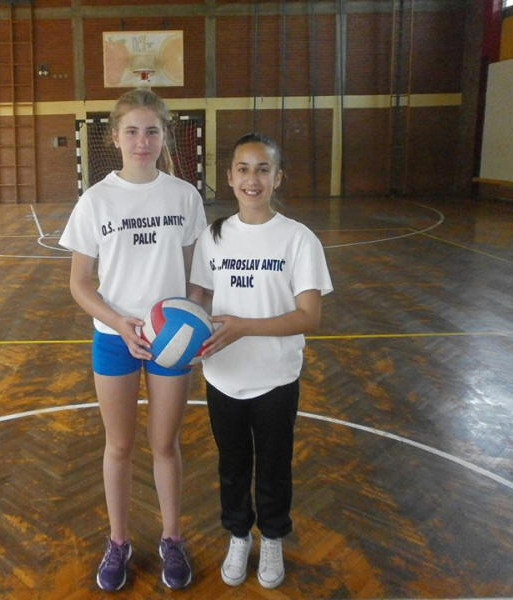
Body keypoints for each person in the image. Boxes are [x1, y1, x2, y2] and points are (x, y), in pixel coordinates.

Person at [59, 88, 207, 591]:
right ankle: (118, 541)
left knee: (165, 444)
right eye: (132, 131)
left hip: (171, 342)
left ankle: (172, 538)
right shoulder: (95, 200)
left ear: (165, 136)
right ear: (114, 137)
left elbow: (197, 276)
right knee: (119, 445)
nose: (142, 141)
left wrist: (192, 323)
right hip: (114, 337)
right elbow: (80, 284)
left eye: (152, 131)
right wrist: (119, 322)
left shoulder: (184, 196)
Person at [188, 132, 332, 589]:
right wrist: (187, 336)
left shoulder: (298, 239)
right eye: (244, 169)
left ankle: (271, 536)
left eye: (263, 169)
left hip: (276, 376)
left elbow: (309, 315)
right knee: (232, 465)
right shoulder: (213, 236)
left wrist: (244, 327)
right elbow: (199, 296)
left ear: (278, 178)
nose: (253, 179)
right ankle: (238, 535)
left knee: (273, 465)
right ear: (230, 177)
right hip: (223, 375)